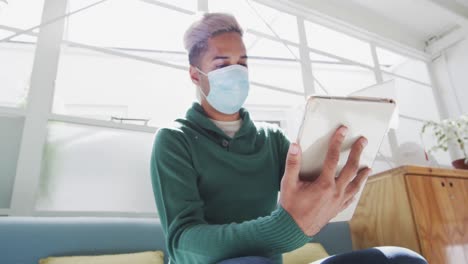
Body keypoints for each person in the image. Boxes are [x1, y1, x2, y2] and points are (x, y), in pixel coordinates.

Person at [150, 13, 427, 264]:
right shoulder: (175, 140)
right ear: (195, 75)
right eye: (223, 64)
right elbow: (182, 242)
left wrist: (349, 132)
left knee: (402, 260)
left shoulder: (271, 139)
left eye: (242, 63)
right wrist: (285, 229)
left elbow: (312, 192)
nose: (236, 73)